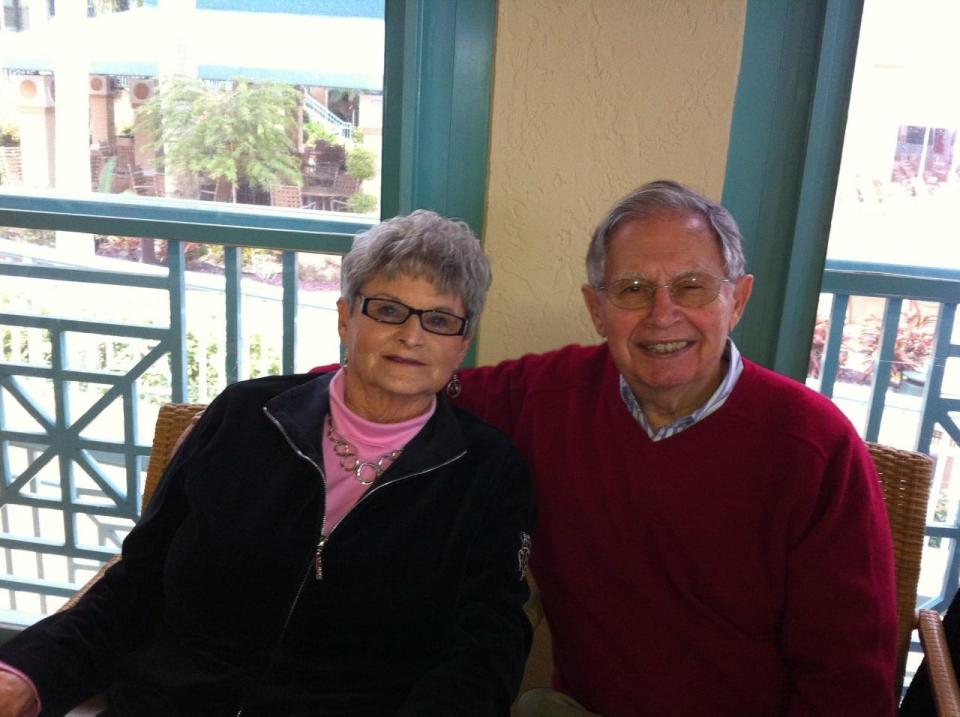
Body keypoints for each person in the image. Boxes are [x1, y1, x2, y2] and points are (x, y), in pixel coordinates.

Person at [0, 209, 536, 716]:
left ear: (461, 344)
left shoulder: (486, 471)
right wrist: (29, 672)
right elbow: (138, 583)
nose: (412, 335)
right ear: (346, 318)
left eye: (440, 319)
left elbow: (485, 653)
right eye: (388, 310)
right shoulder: (243, 418)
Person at [454, 180, 898, 716]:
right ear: (597, 309)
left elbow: (849, 681)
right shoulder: (545, 397)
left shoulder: (813, 446)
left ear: (738, 300)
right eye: (633, 289)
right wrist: (327, 390)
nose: (663, 314)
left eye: (693, 287)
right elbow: (407, 388)